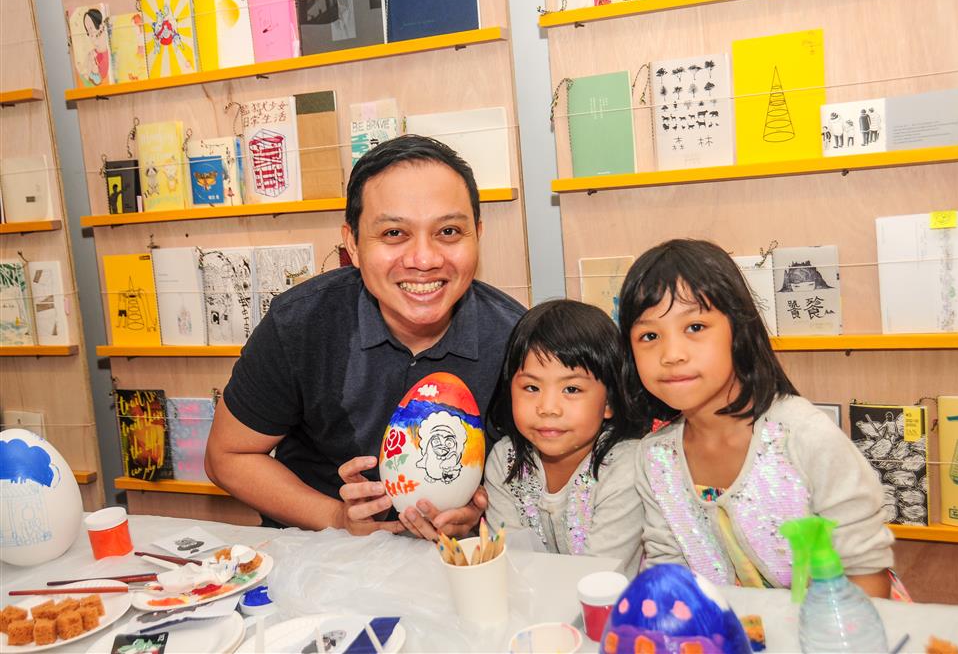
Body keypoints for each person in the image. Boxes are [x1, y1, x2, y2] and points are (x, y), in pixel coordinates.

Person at [205, 135, 526, 537]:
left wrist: (483, 511)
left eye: (448, 231)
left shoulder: (518, 339)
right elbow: (226, 456)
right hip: (320, 556)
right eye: (394, 234)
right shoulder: (301, 323)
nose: (424, 260)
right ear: (353, 245)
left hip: (454, 564)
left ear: (477, 234)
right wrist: (337, 518)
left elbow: (541, 473)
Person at [619, 239, 893, 597]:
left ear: (739, 331)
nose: (671, 354)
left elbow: (865, 572)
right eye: (649, 335)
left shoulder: (803, 436)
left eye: (695, 327)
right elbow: (669, 574)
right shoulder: (654, 457)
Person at [484, 300, 644, 577]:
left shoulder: (627, 466)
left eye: (571, 389)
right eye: (531, 387)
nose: (548, 408)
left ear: (609, 402)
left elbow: (600, 577)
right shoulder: (505, 460)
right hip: (533, 612)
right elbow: (509, 565)